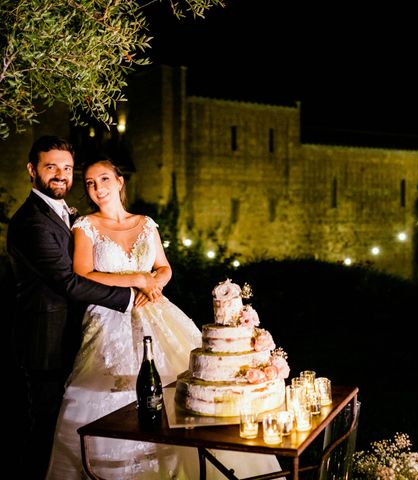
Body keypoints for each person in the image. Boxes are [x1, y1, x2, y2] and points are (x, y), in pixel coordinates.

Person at [46, 156, 282, 479]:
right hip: (108, 317)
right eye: (89, 183)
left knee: (182, 387)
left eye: (103, 179)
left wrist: (154, 282)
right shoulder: (86, 226)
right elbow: (83, 274)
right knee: (110, 394)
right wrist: (136, 280)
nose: (96, 188)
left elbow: (164, 267)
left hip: (157, 313)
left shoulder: (145, 223)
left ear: (119, 182)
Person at [6, 136, 136, 479]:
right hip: (46, 344)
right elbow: (68, 282)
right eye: (51, 168)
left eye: (67, 168)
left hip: (74, 339)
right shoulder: (31, 222)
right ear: (32, 171)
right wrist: (130, 297)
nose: (61, 175)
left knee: (67, 427)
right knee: (45, 431)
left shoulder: (66, 214)